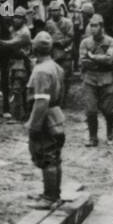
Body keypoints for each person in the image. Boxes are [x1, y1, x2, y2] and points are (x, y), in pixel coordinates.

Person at [26, 31, 66, 208]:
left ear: (35, 47)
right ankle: (53, 194)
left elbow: (41, 101)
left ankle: (50, 197)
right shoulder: (55, 66)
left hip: (45, 117)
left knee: (47, 156)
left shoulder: (41, 70)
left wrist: (34, 125)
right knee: (55, 156)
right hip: (56, 114)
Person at [79, 14, 113, 146]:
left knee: (107, 110)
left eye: (96, 26)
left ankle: (110, 130)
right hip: (90, 78)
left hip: (107, 78)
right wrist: (99, 60)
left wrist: (93, 57)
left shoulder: (111, 41)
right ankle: (93, 137)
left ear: (102, 26)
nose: (93, 28)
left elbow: (110, 59)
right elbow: (84, 61)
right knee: (91, 110)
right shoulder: (85, 42)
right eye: (91, 26)